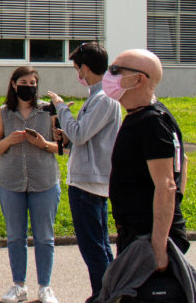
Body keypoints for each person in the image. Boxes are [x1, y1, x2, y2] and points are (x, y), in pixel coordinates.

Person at [46, 42, 120, 302]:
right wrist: (65, 135)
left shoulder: (103, 99)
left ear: (85, 68)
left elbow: (80, 134)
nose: (77, 74)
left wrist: (61, 107)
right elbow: (82, 136)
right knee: (98, 245)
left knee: (93, 247)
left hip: (88, 182)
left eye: (77, 68)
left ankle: (104, 295)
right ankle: (107, 292)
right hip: (92, 180)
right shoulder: (99, 98)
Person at [105, 49, 188, 269]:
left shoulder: (151, 122)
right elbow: (183, 163)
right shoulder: (147, 116)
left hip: (147, 238)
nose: (109, 75)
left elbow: (167, 185)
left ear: (139, 79)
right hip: (139, 234)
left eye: (115, 70)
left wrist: (159, 247)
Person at [0, 65, 61, 303]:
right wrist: (9, 140)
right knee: (16, 236)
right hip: (10, 182)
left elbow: (62, 147)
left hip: (45, 182)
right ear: (13, 84)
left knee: (44, 237)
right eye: (24, 83)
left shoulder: (47, 111)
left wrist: (43, 144)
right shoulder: (4, 113)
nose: (29, 87)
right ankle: (19, 285)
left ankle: (45, 287)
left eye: (33, 84)